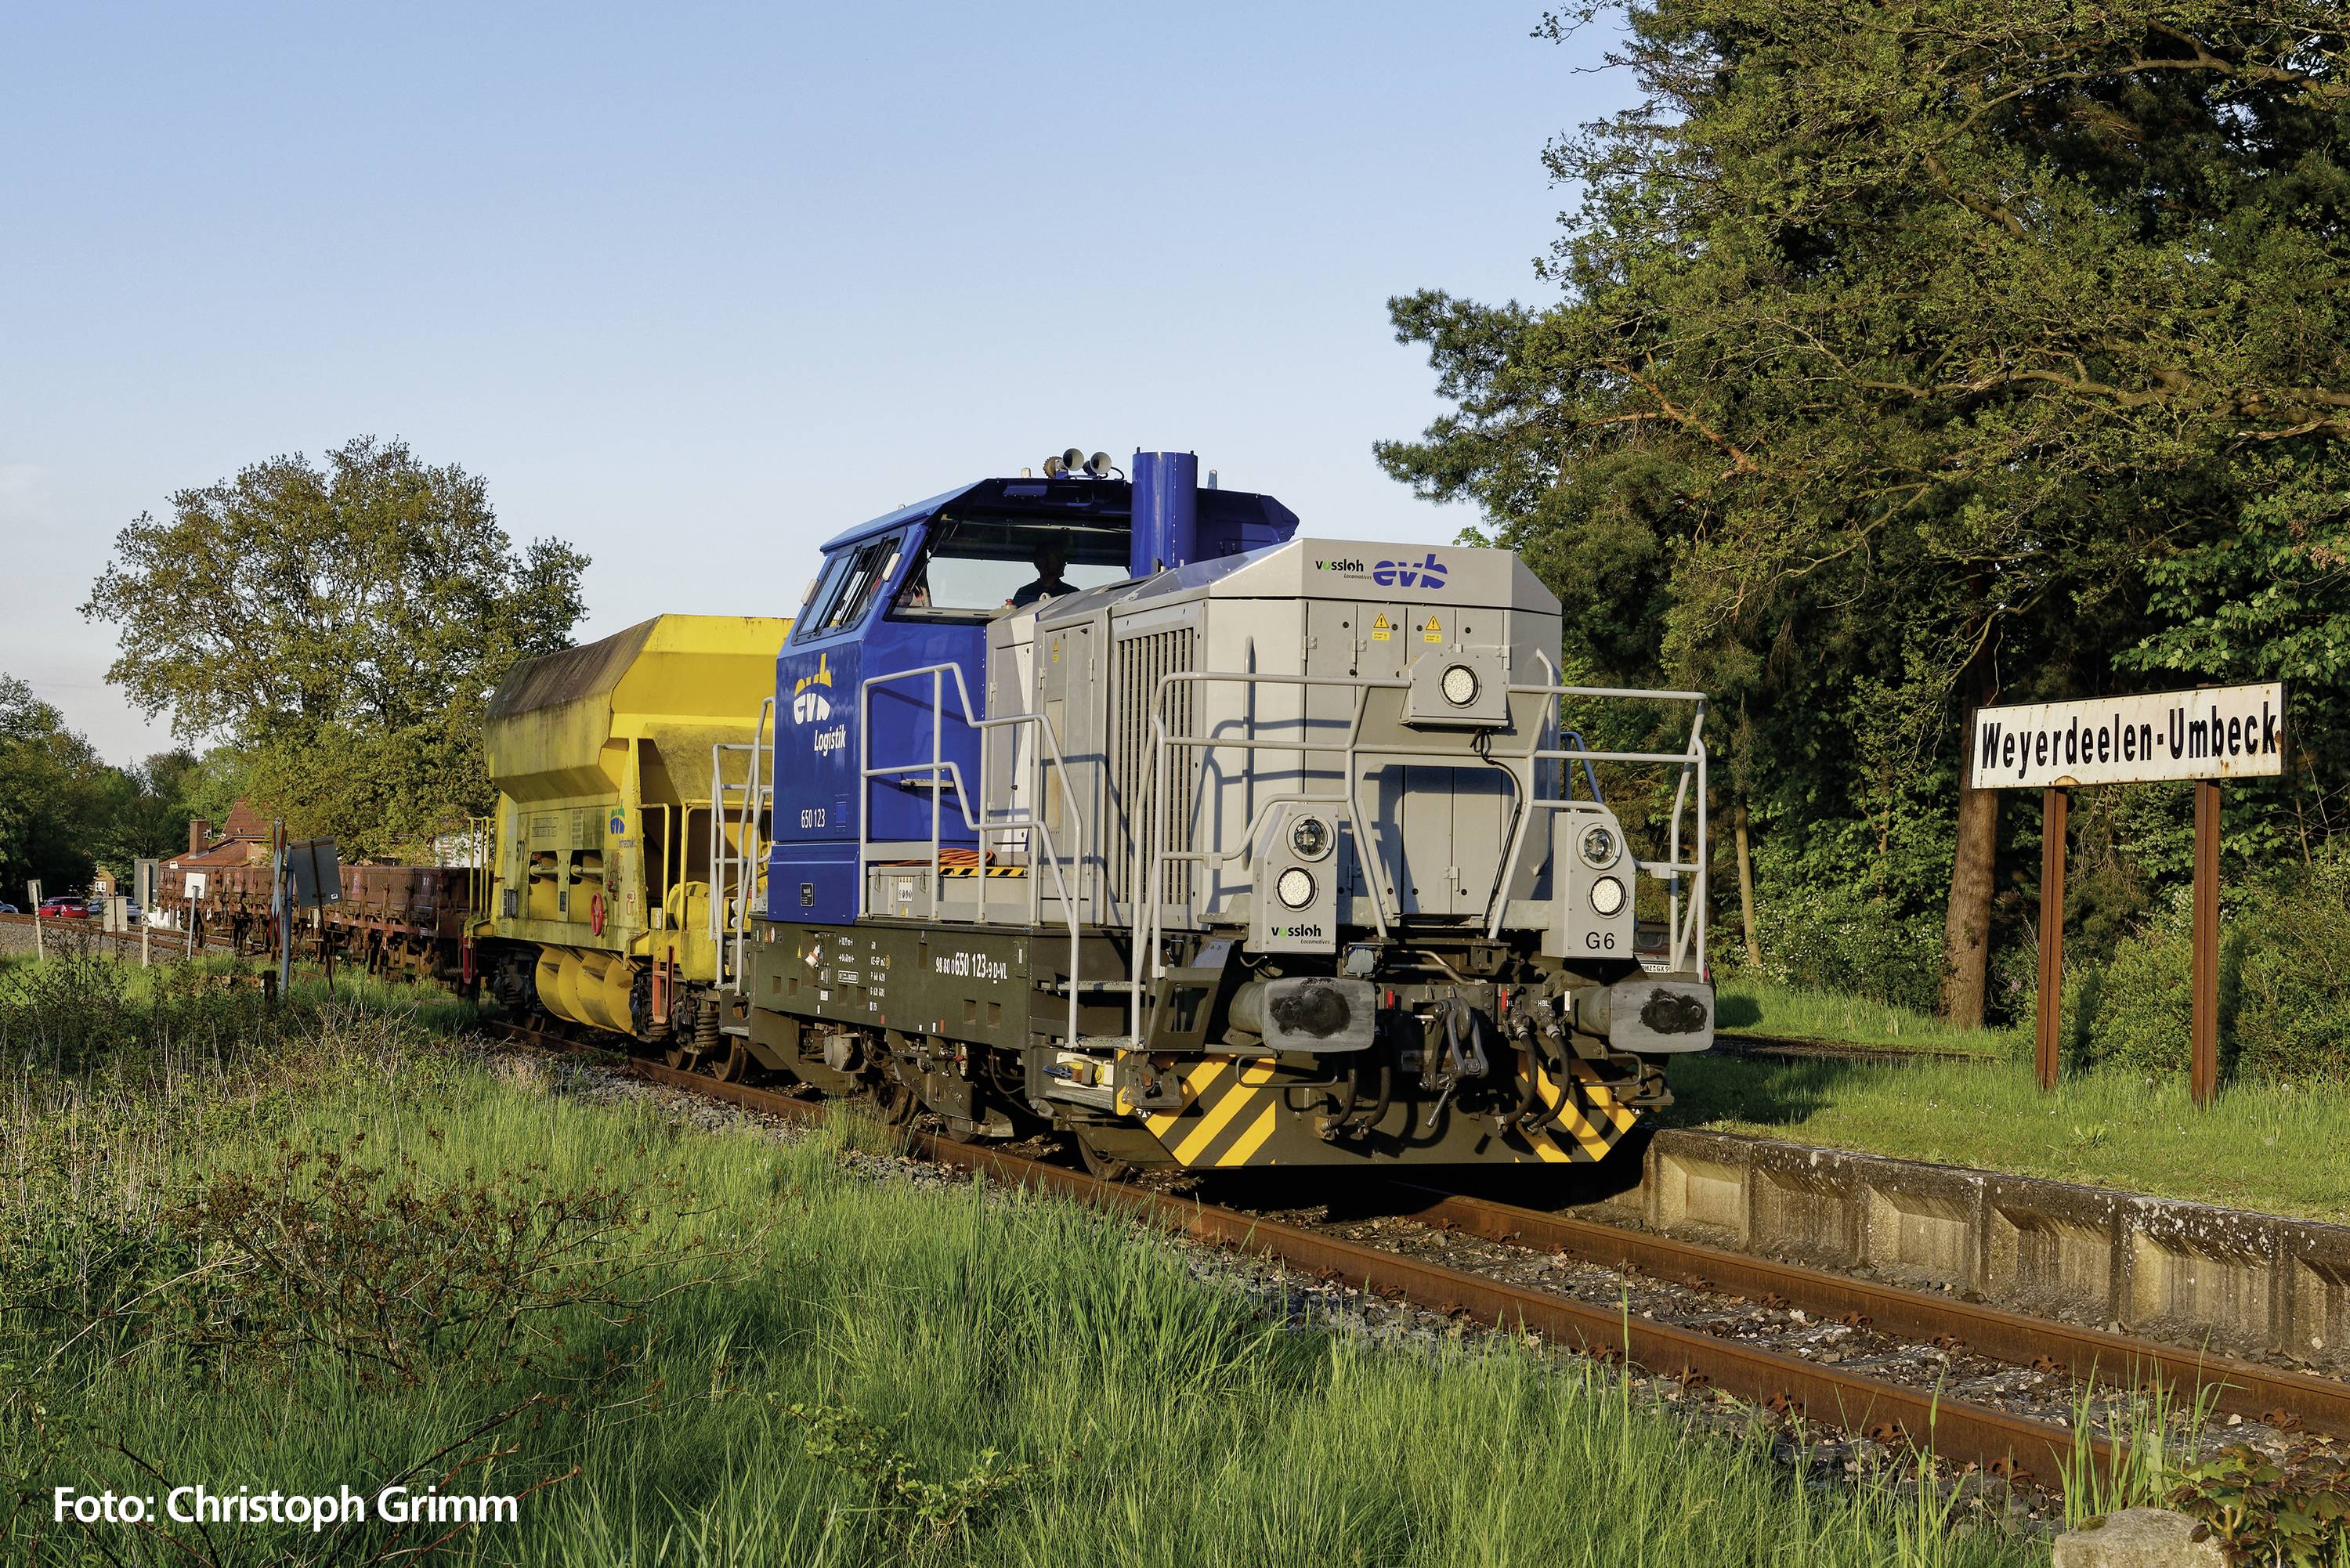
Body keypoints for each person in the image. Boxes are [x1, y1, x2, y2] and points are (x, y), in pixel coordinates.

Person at [1011, 542, 1072, 609]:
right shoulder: (1024, 593)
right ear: (1041, 562)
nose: (1063, 563)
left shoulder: (1072, 593)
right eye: (1058, 558)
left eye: (1063, 559)